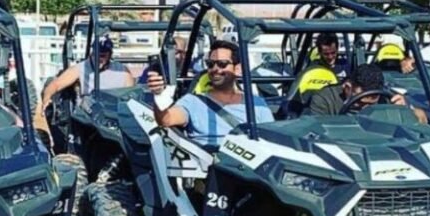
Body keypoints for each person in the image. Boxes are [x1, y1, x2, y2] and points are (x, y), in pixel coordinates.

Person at [146, 40, 274, 148]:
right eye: (210, 64)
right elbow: (165, 119)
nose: (215, 69)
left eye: (222, 64)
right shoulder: (192, 101)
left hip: (248, 167)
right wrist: (159, 95)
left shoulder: (256, 104)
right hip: (209, 166)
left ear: (238, 69)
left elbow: (272, 140)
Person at [41, 36, 135, 109]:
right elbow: (55, 84)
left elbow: (132, 96)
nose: (99, 58)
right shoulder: (80, 68)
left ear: (110, 55)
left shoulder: (122, 71)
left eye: (102, 55)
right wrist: (47, 98)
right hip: (88, 114)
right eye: (96, 54)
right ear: (92, 53)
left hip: (114, 110)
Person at [308, 63, 425, 121]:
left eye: (371, 105)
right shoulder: (324, 99)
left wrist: (405, 111)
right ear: (347, 87)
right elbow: (316, 133)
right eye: (360, 103)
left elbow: (422, 119)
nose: (365, 110)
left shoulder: (387, 97)